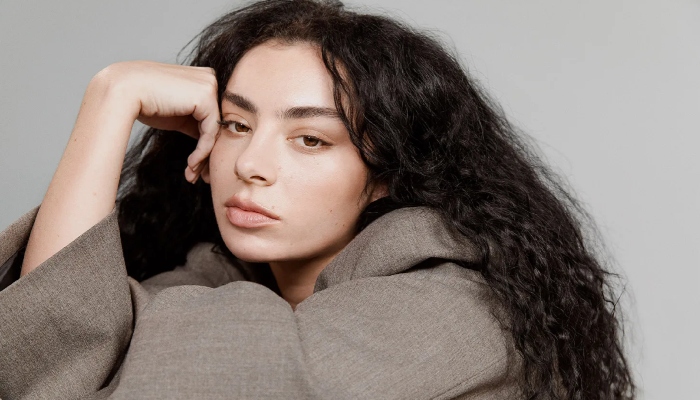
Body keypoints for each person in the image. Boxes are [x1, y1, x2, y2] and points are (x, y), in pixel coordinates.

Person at [0, 0, 635, 398]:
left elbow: (60, 368)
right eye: (236, 125)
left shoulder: (453, 312)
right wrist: (111, 102)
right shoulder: (199, 284)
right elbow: (46, 343)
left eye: (310, 139)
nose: (250, 165)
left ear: (386, 174)